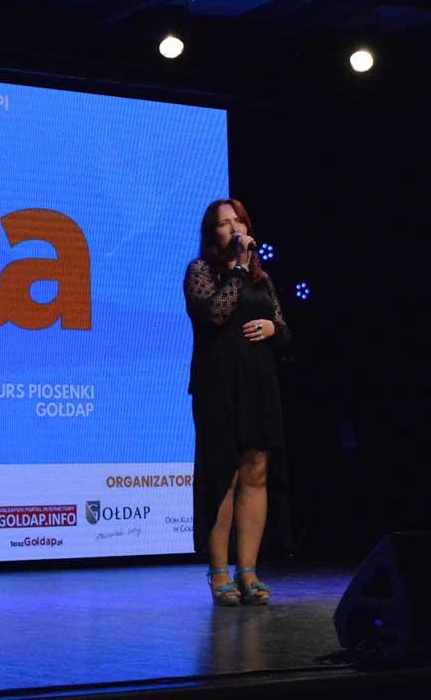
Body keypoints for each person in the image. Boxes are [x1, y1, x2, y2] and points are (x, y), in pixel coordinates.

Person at [183, 198, 291, 606]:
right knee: (222, 476)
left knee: (255, 474)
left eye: (238, 221)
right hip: (217, 386)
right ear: (213, 234)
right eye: (224, 223)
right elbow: (214, 313)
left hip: (258, 385)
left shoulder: (262, 279)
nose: (233, 228)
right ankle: (219, 573)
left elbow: (285, 331)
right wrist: (240, 268)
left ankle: (248, 571)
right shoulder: (201, 271)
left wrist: (273, 329)